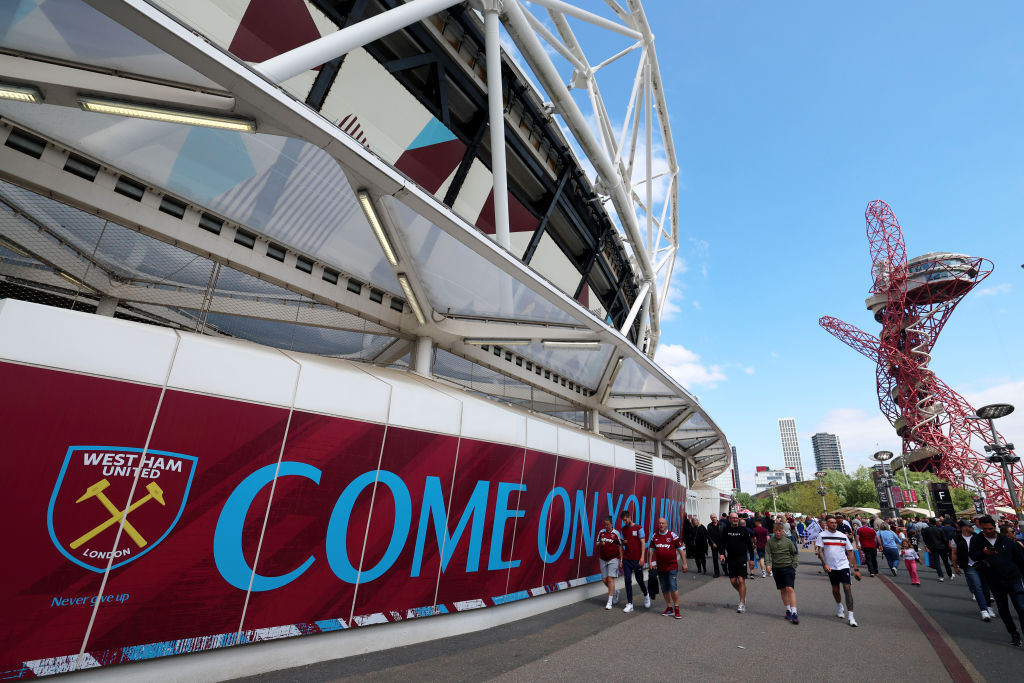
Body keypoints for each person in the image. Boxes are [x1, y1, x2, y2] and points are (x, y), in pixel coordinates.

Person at [970, 515, 1024, 647]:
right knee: (1003, 610)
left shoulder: (1007, 541)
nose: (988, 531)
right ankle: (1014, 634)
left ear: (995, 526)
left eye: (990, 528)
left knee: (1022, 609)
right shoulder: (977, 540)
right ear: (980, 528)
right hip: (994, 581)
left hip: (1013, 579)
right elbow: (972, 555)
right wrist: (983, 553)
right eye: (985, 529)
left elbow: (1021, 560)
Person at [816, 515, 861, 627]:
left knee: (847, 588)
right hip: (831, 567)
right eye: (831, 522)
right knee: (835, 589)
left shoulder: (842, 536)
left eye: (835, 522)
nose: (834, 524)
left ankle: (851, 616)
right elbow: (820, 551)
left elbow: (850, 552)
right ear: (827, 524)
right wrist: (824, 564)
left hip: (843, 565)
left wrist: (855, 569)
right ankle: (839, 605)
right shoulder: (822, 535)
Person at [950, 519, 993, 621]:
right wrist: (955, 566)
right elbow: (954, 553)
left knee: (985, 587)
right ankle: (984, 610)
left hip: (981, 563)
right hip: (969, 565)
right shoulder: (956, 539)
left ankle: (989, 607)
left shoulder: (978, 537)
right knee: (977, 586)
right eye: (969, 526)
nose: (971, 527)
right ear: (963, 528)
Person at [649, 517, 688, 619]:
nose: (661, 525)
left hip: (672, 566)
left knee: (673, 587)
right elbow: (651, 549)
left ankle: (676, 608)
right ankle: (669, 608)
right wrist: (649, 561)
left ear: (666, 525)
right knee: (664, 588)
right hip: (660, 567)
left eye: (663, 523)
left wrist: (684, 563)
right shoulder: (655, 536)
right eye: (659, 523)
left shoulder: (672, 535)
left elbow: (681, 550)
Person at [719, 512, 756, 613]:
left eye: (736, 518)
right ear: (729, 519)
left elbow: (750, 545)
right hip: (731, 558)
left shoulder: (743, 530)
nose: (735, 519)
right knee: (733, 581)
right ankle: (742, 594)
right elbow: (722, 543)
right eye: (733, 518)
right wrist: (722, 553)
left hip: (742, 558)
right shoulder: (726, 530)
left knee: (741, 579)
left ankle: (742, 603)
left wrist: (751, 559)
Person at [765, 520, 800, 624]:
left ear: (783, 531)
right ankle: (788, 610)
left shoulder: (788, 541)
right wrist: (768, 564)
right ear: (773, 531)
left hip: (788, 567)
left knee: (790, 588)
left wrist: (794, 565)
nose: (778, 533)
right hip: (776, 568)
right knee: (783, 590)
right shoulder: (770, 542)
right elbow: (767, 553)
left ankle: (794, 612)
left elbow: (795, 553)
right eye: (776, 531)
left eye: (780, 531)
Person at [619, 510, 650, 612]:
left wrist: (642, 558)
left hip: (637, 559)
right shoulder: (623, 530)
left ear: (629, 517)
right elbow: (621, 544)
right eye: (623, 520)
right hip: (627, 559)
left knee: (639, 580)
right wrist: (624, 543)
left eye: (625, 520)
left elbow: (642, 543)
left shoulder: (638, 528)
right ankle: (630, 604)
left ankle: (646, 594)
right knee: (627, 580)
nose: (624, 522)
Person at [595, 516, 622, 610]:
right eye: (605, 524)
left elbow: (619, 546)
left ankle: (609, 601)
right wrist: (600, 544)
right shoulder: (601, 532)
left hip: (613, 558)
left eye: (607, 524)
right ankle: (615, 592)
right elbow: (597, 543)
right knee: (604, 580)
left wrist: (621, 560)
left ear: (611, 524)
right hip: (603, 558)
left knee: (610, 579)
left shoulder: (616, 533)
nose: (606, 526)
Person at [922, 518, 952, 582]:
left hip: (933, 547)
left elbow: (925, 539)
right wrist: (947, 549)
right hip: (942, 547)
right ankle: (950, 575)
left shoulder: (926, 530)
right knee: (946, 562)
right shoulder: (940, 529)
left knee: (937, 562)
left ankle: (941, 576)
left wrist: (927, 546)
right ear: (935, 522)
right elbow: (944, 540)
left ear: (929, 522)